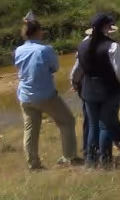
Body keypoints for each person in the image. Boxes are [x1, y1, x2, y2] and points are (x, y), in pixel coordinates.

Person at [14, 19, 79, 170]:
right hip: (44, 94)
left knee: (30, 130)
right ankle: (69, 157)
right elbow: (55, 67)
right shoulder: (45, 50)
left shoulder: (18, 50)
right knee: (67, 121)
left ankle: (33, 164)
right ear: (37, 32)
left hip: (24, 95)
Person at [71, 20, 120, 152]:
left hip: (88, 89)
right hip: (107, 89)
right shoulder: (111, 46)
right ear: (106, 29)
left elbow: (77, 69)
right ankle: (106, 157)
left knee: (93, 124)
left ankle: (91, 158)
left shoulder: (82, 45)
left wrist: (75, 83)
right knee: (106, 124)